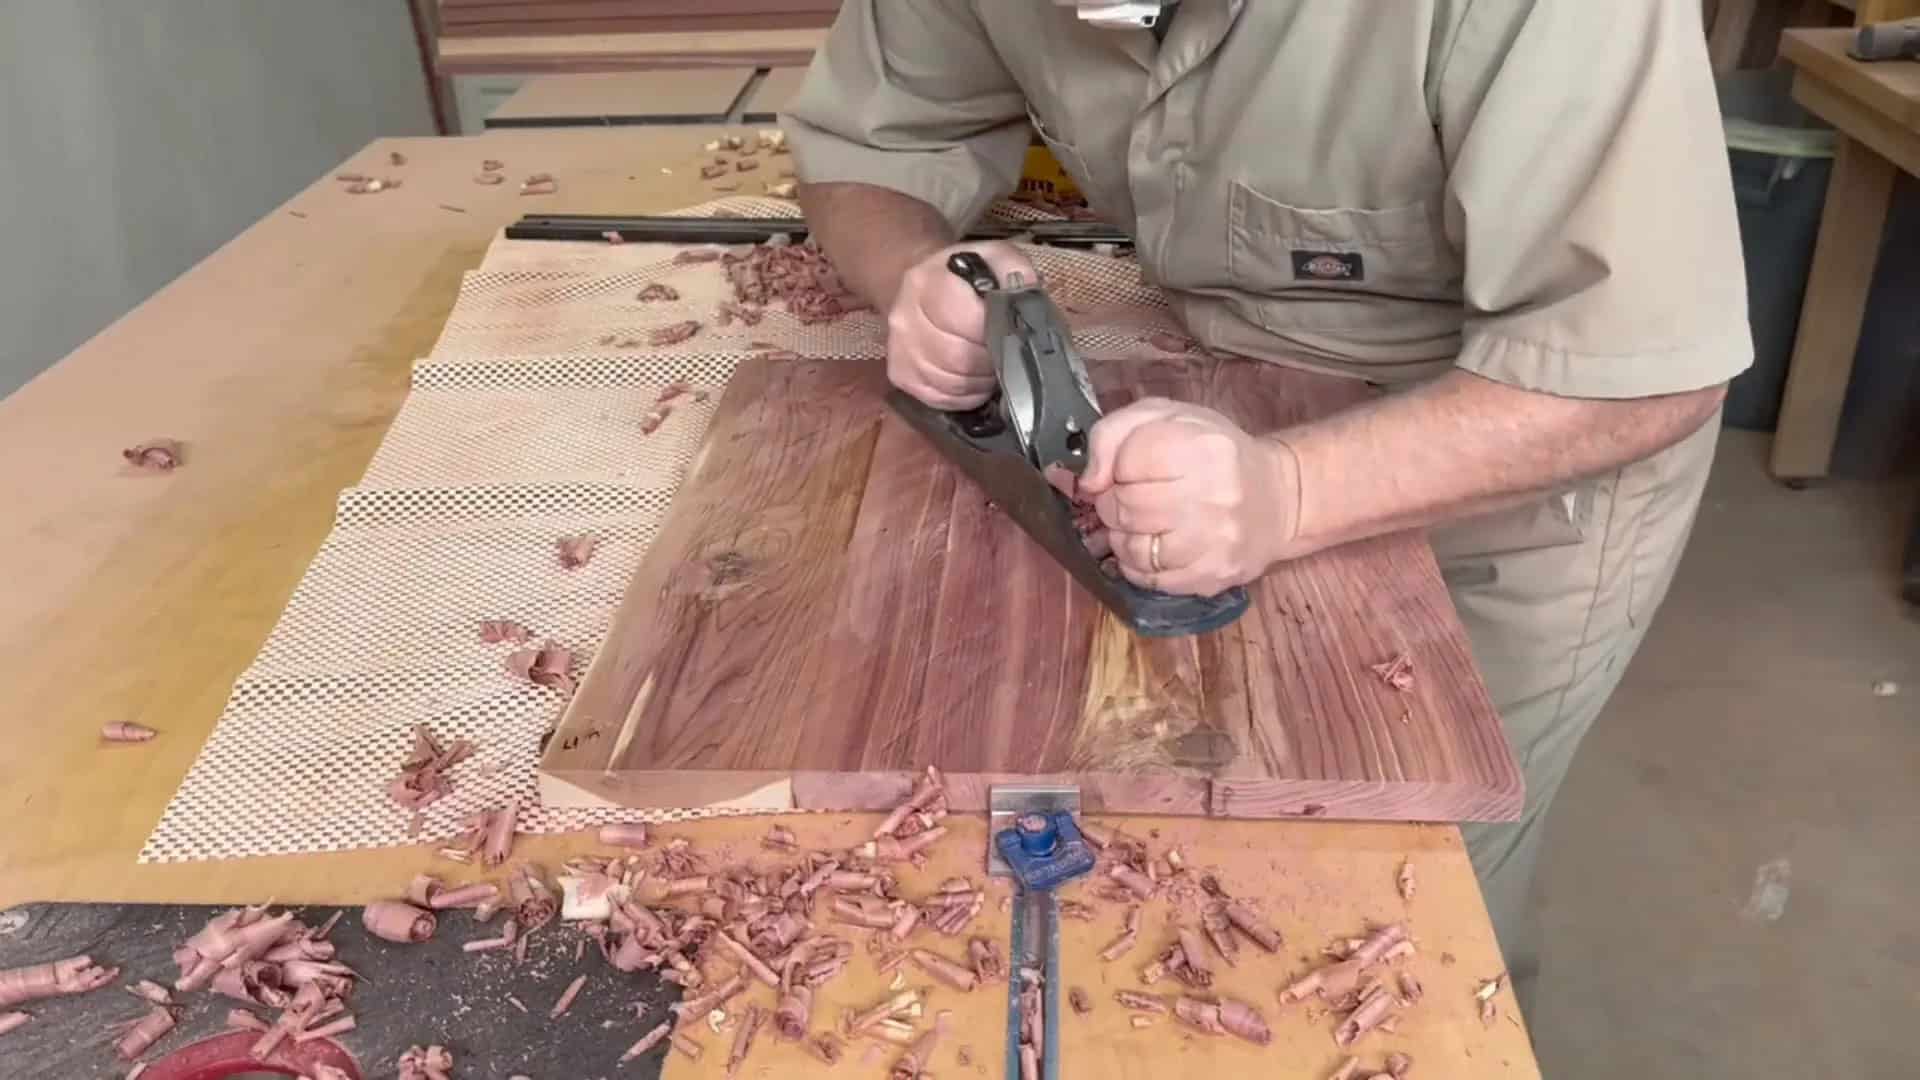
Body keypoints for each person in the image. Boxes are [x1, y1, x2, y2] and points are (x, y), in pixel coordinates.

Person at [782, 0, 1749, 1008]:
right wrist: (910, 274)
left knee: (1399, 924)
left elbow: (1643, 368)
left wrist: (1290, 491)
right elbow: (873, 142)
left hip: (1511, 443)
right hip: (1207, 374)